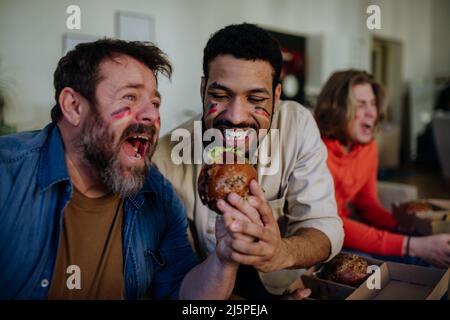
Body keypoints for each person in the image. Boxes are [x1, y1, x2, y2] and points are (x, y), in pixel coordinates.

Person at [0, 39, 241, 299]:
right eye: (130, 96)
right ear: (73, 106)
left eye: (155, 103)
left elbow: (182, 294)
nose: (151, 115)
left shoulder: (158, 195)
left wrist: (224, 258)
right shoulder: (7, 175)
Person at [153, 23, 344, 299]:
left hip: (284, 286)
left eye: (255, 99)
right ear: (203, 90)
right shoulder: (166, 157)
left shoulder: (296, 126)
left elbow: (324, 225)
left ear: (277, 97)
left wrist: (281, 253)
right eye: (220, 95)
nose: (236, 116)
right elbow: (182, 282)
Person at [314, 70, 450, 268]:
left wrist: (403, 226)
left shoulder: (368, 147)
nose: (372, 112)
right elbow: (331, 221)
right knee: (389, 264)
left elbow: (367, 204)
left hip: (343, 228)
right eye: (360, 105)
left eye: (373, 103)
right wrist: (410, 245)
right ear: (337, 109)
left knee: (430, 261)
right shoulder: (316, 150)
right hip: (324, 235)